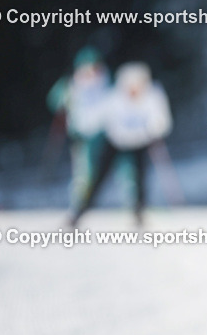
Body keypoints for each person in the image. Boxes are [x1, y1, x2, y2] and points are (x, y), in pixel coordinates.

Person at [71, 62, 172, 225]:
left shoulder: (152, 95)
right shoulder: (114, 98)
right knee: (98, 177)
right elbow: (94, 118)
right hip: (116, 141)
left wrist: (153, 130)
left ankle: (139, 212)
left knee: (139, 178)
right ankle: (80, 210)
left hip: (140, 141)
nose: (133, 89)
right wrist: (79, 126)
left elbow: (161, 120)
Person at [47, 47, 112, 207]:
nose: (91, 71)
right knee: (84, 172)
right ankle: (80, 204)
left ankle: (132, 202)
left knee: (116, 169)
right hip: (82, 134)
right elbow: (54, 101)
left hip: (107, 133)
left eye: (94, 67)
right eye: (87, 67)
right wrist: (61, 99)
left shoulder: (107, 81)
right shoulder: (71, 85)